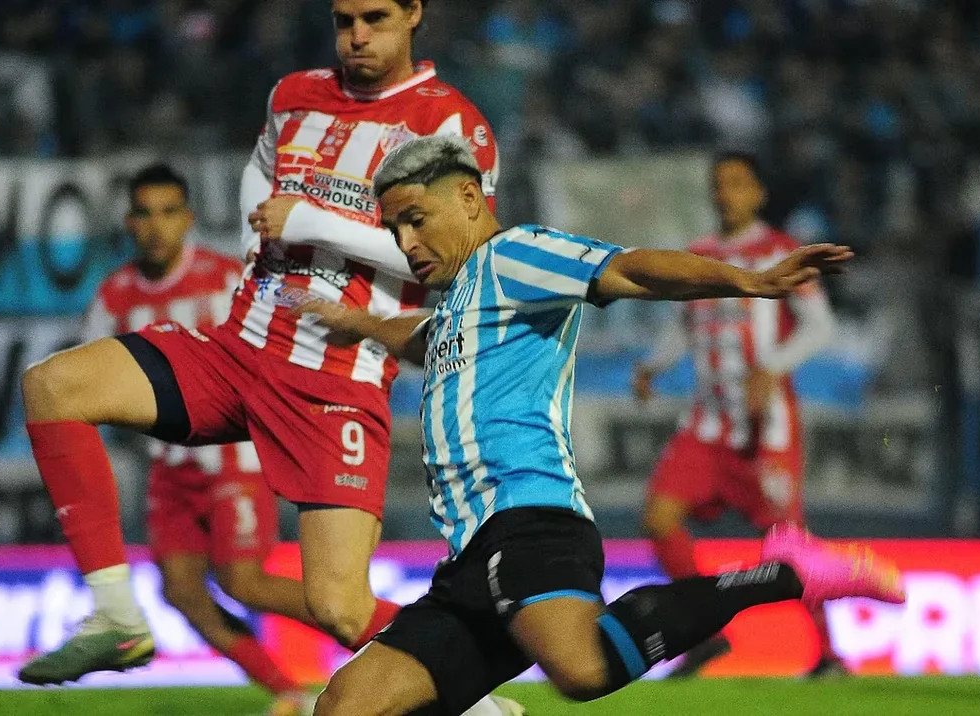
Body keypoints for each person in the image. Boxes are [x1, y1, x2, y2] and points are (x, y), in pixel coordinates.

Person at [281, 135, 904, 716]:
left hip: (529, 521)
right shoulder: (460, 303)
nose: (406, 242)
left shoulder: (515, 255)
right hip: (468, 557)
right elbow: (420, 339)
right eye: (395, 229)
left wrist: (752, 281)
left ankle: (786, 572)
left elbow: (629, 269)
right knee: (347, 705)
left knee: (581, 670)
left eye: (417, 219)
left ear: (470, 198)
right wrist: (358, 324)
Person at [17, 4, 521, 713]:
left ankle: (477, 696)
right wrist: (262, 237)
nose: (357, 35)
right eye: (344, 18)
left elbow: (459, 254)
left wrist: (310, 222)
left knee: (340, 607)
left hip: (333, 380)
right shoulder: (293, 95)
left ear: (414, 13)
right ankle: (116, 617)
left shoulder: (448, 123)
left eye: (375, 17)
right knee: (53, 386)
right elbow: (263, 173)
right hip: (237, 350)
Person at [31, 164, 314, 713]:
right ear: (128, 222)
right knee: (181, 593)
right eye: (144, 213)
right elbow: (84, 384)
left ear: (187, 218)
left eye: (167, 212)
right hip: (170, 470)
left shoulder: (225, 277)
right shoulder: (113, 297)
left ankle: (394, 634)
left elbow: (276, 350)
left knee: (245, 581)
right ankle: (290, 693)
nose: (156, 226)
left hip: (234, 459)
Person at [631, 152, 841, 677]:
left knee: (788, 546)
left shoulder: (782, 253)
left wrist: (771, 368)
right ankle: (703, 635)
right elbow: (685, 326)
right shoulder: (699, 255)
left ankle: (830, 655)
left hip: (764, 430)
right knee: (659, 517)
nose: (726, 193)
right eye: (719, 184)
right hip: (706, 424)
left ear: (758, 193)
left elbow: (820, 328)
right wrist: (654, 366)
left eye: (737, 183)